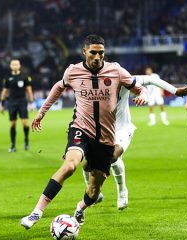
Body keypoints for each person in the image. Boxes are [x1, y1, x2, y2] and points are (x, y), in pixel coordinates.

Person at [20, 35, 147, 230]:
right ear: (84, 52)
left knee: (94, 192)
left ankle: (80, 209)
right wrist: (41, 113)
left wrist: (143, 95)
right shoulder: (73, 71)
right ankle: (36, 212)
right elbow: (58, 87)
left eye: (101, 53)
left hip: (105, 138)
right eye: (93, 52)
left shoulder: (116, 70)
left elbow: (139, 88)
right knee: (69, 166)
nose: (97, 57)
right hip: (81, 129)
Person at [82, 74, 187, 210]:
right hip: (102, 132)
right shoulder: (90, 86)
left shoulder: (121, 78)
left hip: (122, 130)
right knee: (87, 165)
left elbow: (151, 79)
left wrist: (175, 91)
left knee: (113, 156)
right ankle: (93, 193)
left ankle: (122, 191)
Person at [0, 59, 34, 152]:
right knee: (13, 124)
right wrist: (2, 104)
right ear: (10, 66)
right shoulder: (7, 77)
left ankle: (26, 140)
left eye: (16, 64)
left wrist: (31, 103)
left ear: (19, 65)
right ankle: (13, 145)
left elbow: (29, 90)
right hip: (12, 102)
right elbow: (4, 91)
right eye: (13, 64)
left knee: (25, 123)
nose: (15, 66)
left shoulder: (25, 76)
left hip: (22, 101)